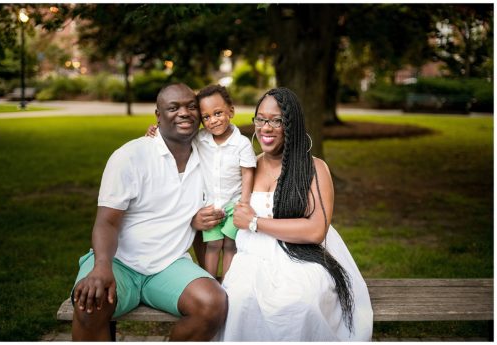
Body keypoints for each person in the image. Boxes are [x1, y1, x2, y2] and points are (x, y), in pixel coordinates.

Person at [71, 83, 228, 341]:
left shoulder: (210, 160)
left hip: (169, 265)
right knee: (90, 302)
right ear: (158, 115)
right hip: (120, 262)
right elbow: (107, 223)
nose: (184, 113)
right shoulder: (131, 156)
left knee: (213, 303)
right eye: (173, 107)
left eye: (191, 107)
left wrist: (208, 273)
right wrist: (101, 267)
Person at [222, 87, 372, 340]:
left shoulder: (314, 168)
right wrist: (156, 134)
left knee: (299, 302)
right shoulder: (249, 167)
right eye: (260, 119)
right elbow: (205, 151)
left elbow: (315, 231)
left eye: (276, 120)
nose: (265, 127)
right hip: (253, 256)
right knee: (240, 299)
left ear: (292, 124)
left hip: (303, 255)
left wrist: (255, 222)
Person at [149, 85, 256, 278]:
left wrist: (245, 203)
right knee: (213, 244)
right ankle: (210, 280)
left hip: (234, 204)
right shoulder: (200, 138)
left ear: (231, 111)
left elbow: (248, 174)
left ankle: (229, 283)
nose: (213, 121)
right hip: (211, 205)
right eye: (206, 117)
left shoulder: (242, 144)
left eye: (218, 113)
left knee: (231, 244)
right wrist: (155, 131)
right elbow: (174, 138)